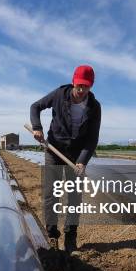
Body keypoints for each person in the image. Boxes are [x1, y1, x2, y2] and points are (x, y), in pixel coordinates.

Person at [30, 65, 101, 254]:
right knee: (51, 194)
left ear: (90, 86)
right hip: (54, 149)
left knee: (74, 197)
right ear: (73, 82)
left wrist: (82, 161)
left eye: (85, 87)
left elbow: (92, 138)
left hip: (77, 154)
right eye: (79, 86)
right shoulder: (60, 94)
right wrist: (37, 127)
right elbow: (35, 106)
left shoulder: (95, 107)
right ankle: (52, 235)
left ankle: (70, 239)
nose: (81, 91)